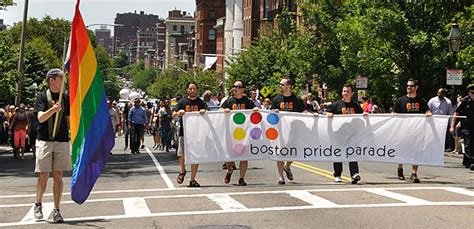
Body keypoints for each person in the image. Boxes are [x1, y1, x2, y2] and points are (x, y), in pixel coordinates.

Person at [33, 68, 71, 223]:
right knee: (43, 175)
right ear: (52, 80)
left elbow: (68, 120)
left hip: (61, 140)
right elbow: (41, 118)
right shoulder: (42, 96)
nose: (63, 82)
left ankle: (57, 209)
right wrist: (53, 110)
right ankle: (38, 203)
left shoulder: (65, 97)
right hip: (45, 140)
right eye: (61, 79)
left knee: (58, 176)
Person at [393, 78, 432, 183]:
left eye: (411, 86)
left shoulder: (421, 101)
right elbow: (394, 114)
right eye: (408, 86)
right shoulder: (400, 101)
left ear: (416, 87)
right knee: (402, 150)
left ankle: (414, 173)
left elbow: (427, 110)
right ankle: (400, 168)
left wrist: (428, 113)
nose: (409, 88)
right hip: (403, 131)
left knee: (416, 152)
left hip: (417, 131)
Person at [325, 84, 364, 184]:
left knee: (352, 153)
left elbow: (361, 116)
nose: (345, 93)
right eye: (344, 91)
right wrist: (328, 114)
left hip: (351, 135)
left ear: (352, 93)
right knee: (338, 153)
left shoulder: (356, 105)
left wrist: (365, 115)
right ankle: (337, 174)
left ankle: (354, 174)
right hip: (339, 135)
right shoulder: (336, 104)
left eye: (347, 91)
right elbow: (326, 112)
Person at [221, 80, 257, 186]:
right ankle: (229, 170)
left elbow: (255, 111)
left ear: (242, 89)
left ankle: (241, 178)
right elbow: (219, 110)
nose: (235, 88)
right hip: (231, 132)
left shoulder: (248, 101)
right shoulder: (229, 101)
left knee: (244, 156)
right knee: (229, 156)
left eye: (237, 87)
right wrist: (224, 110)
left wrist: (255, 109)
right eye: (234, 87)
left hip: (244, 133)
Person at [272, 78, 306, 185]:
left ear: (288, 86)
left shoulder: (296, 99)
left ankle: (287, 167)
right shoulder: (277, 99)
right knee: (280, 152)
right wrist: (274, 111)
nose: (280, 86)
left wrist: (313, 115)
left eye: (282, 84)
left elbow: (303, 111)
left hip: (293, 130)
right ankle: (281, 176)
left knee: (292, 152)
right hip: (280, 130)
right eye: (280, 84)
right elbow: (271, 114)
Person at [173, 82, 207, 187]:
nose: (192, 91)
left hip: (197, 134)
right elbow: (173, 115)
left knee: (195, 156)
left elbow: (209, 114)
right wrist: (178, 113)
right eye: (190, 89)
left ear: (197, 90)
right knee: (181, 154)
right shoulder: (182, 102)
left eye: (194, 89)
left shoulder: (201, 102)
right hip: (184, 132)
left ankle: (193, 179)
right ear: (187, 90)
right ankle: (182, 171)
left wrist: (204, 111)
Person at [450, 84, 474, 171]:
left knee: (472, 143)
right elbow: (456, 113)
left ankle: (466, 160)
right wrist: (452, 126)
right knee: (468, 142)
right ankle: (472, 161)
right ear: (468, 93)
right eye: (472, 93)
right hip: (466, 125)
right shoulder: (464, 101)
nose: (473, 94)